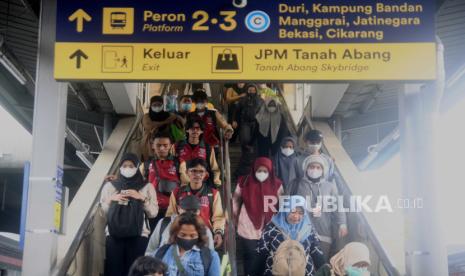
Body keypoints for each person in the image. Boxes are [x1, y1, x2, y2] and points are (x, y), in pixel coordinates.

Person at [100, 153, 158, 276]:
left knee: (136, 271)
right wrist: (111, 199)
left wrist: (141, 198)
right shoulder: (110, 187)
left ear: (137, 167)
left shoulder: (147, 187)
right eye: (124, 165)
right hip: (114, 234)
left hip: (139, 235)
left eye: (131, 166)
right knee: (114, 270)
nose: (127, 168)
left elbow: (153, 213)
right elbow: (103, 213)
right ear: (120, 167)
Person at [288, 155, 348, 260]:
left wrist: (342, 224)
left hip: (324, 233)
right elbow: (286, 206)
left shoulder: (330, 187)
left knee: (320, 264)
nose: (314, 170)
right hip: (300, 232)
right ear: (306, 168)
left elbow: (338, 206)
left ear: (323, 170)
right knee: (300, 264)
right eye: (311, 167)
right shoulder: (296, 185)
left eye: (318, 167)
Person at [233, 157, 283, 276]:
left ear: (270, 171)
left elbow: (282, 205)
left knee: (266, 257)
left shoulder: (277, 184)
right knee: (250, 256)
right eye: (259, 170)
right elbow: (235, 201)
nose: (262, 173)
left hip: (269, 227)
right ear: (254, 169)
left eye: (265, 171)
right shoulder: (244, 181)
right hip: (247, 226)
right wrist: (235, 220)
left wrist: (280, 225)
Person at [255, 195, 325, 276]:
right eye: (293, 211)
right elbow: (261, 253)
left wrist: (325, 269)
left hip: (304, 272)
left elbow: (316, 251)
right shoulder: (272, 227)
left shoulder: (308, 229)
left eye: (300, 213)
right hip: (276, 272)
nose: (296, 216)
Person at [166, 158, 225, 249]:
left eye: (201, 171)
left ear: (206, 174)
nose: (197, 175)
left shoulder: (213, 193)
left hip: (205, 235)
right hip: (183, 235)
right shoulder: (177, 192)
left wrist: (218, 232)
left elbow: (218, 217)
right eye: (193, 171)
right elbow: (171, 215)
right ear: (186, 172)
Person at [151, 212, 221, 276]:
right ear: (175, 233)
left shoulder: (210, 257)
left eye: (192, 236)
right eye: (183, 235)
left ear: (199, 235)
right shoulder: (161, 252)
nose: (188, 238)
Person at [145, 195, 215, 255]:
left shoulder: (205, 230)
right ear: (179, 209)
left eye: (194, 211)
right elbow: (151, 250)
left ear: (199, 211)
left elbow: (210, 257)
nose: (190, 213)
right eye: (186, 210)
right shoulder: (164, 224)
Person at [142, 132, 180, 232]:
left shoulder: (179, 163)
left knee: (170, 238)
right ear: (153, 146)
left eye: (165, 145)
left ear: (171, 146)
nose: (162, 148)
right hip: (152, 209)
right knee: (153, 238)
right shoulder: (146, 165)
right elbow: (135, 182)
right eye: (158, 145)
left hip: (172, 210)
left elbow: (185, 185)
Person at [176, 117, 221, 187]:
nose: (195, 131)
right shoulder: (178, 146)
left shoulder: (207, 147)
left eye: (198, 128)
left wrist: (216, 181)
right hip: (183, 186)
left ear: (202, 131)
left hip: (203, 185)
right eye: (192, 128)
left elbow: (214, 168)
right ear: (187, 130)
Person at [232, 84, 264, 177]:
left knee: (255, 144)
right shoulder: (242, 100)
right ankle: (246, 153)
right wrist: (234, 120)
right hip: (245, 123)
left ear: (256, 91)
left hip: (256, 123)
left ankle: (253, 163)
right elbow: (236, 110)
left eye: (253, 90)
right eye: (250, 90)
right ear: (247, 90)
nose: (251, 91)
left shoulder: (260, 101)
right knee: (245, 140)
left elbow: (264, 112)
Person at [142, 96, 178, 160]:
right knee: (151, 164)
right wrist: (166, 121)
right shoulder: (146, 116)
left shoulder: (169, 115)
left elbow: (179, 122)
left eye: (159, 104)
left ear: (163, 105)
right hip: (150, 144)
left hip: (166, 144)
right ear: (150, 106)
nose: (157, 107)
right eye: (154, 105)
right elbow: (150, 126)